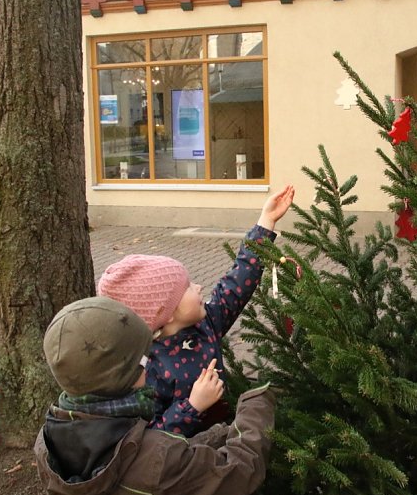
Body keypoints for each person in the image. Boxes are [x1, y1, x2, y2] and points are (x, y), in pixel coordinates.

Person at [34, 296, 275, 495]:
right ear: (125, 373)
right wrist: (257, 400)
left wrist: (219, 433)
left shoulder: (47, 439)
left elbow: (160, 455)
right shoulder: (156, 463)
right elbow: (240, 469)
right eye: (144, 359)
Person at [96, 184, 294, 435]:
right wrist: (193, 406)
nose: (199, 287)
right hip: (185, 463)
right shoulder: (147, 369)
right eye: (188, 287)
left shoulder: (206, 324)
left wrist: (266, 221)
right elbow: (149, 436)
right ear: (164, 313)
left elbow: (236, 285)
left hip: (222, 442)